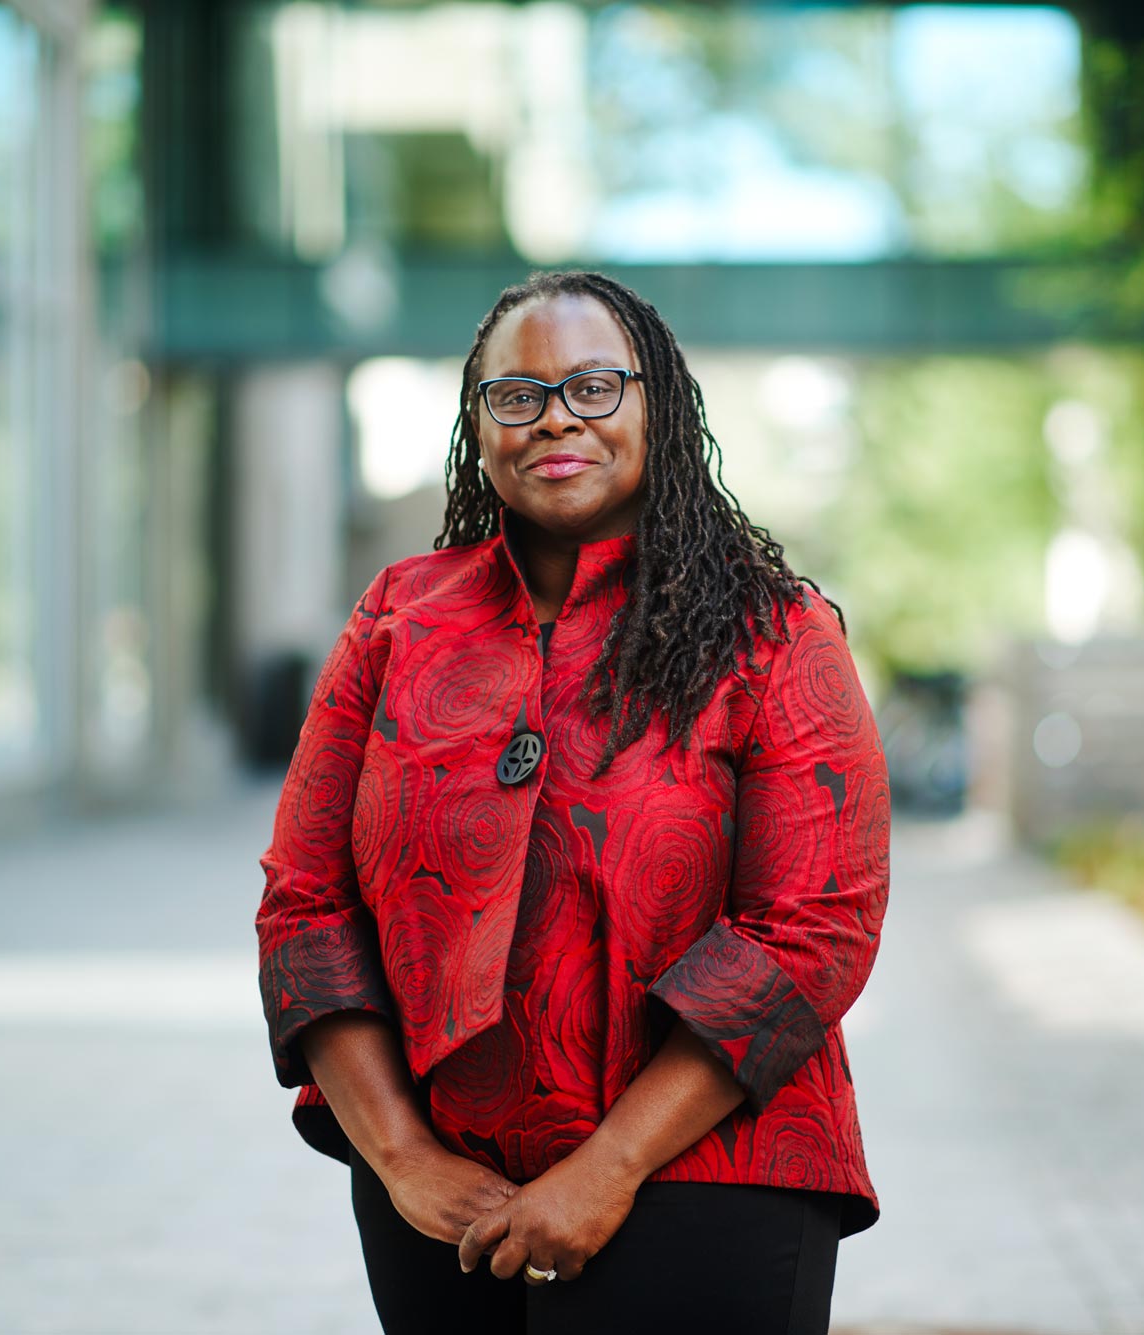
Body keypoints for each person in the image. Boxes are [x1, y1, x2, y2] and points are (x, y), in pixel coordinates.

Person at [255, 270, 890, 1335]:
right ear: (478, 424)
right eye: (519, 394)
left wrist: (605, 1170)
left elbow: (809, 930)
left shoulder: (773, 632)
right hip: (441, 1205)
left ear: (659, 406)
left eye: (596, 386)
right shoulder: (396, 619)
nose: (556, 417)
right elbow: (304, 907)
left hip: (713, 1182)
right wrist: (404, 1158)